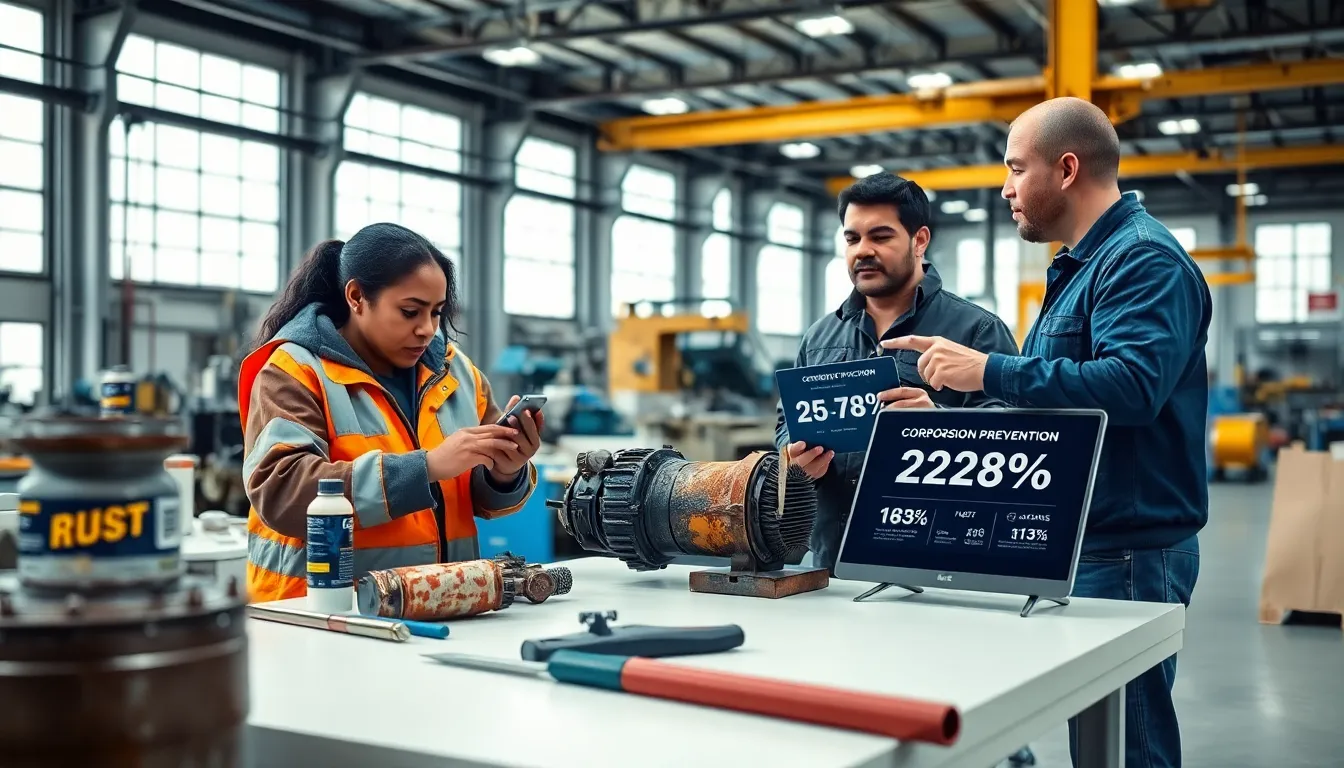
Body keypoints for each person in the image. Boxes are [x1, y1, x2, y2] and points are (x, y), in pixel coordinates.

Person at [884, 98, 1211, 768]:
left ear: (1066, 168)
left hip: (1127, 553)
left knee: (1126, 749)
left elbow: (1130, 387)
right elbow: (1053, 415)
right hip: (1088, 545)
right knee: (1098, 742)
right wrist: (944, 426)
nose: (1004, 188)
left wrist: (990, 369)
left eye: (1014, 168)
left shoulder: (1142, 261)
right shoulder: (1084, 266)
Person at [240, 222, 543, 602]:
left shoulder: (460, 374)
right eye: (410, 311)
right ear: (356, 297)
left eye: (437, 313)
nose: (427, 330)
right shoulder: (296, 372)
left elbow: (482, 499)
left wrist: (506, 471)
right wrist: (427, 467)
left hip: (440, 604)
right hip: (322, 613)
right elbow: (282, 491)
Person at [773, 172, 1019, 573]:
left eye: (881, 236)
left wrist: (939, 425)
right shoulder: (819, 337)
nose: (862, 251)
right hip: (830, 563)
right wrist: (792, 456)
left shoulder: (976, 331)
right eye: (852, 238)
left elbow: (1016, 439)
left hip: (934, 565)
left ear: (919, 240)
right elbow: (788, 420)